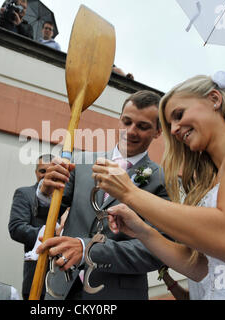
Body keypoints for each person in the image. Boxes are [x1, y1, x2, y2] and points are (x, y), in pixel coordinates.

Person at [93, 71, 225, 299]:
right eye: (170, 124)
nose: (173, 130)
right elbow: (204, 269)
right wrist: (144, 231)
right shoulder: (208, 182)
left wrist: (129, 192)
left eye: (178, 114)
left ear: (214, 99)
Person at [36, 90, 169, 300]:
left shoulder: (162, 180)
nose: (130, 131)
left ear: (158, 132)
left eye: (142, 126)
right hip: (60, 287)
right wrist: (44, 192)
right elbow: (47, 214)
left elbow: (156, 251)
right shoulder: (81, 161)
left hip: (116, 294)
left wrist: (87, 250)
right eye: (126, 122)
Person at [8, 154, 61, 300]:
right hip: (37, 277)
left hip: (69, 280)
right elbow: (16, 228)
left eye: (51, 171)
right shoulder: (25, 194)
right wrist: (47, 233)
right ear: (36, 172)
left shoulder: (67, 196)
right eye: (43, 171)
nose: (47, 175)